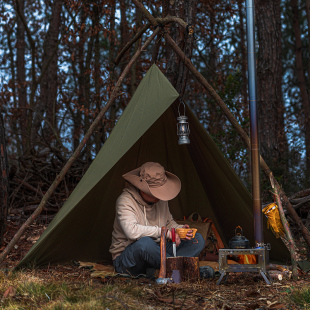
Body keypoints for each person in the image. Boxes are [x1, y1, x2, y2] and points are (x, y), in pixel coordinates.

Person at [110, 162, 205, 276]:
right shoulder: (125, 201)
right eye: (154, 192)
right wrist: (164, 233)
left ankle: (162, 270)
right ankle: (180, 271)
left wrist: (179, 230)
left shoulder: (160, 199)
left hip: (158, 251)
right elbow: (132, 231)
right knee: (145, 243)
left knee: (197, 239)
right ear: (142, 189)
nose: (158, 196)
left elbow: (168, 222)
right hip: (129, 258)